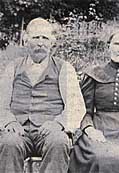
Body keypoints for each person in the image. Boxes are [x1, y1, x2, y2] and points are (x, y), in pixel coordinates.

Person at [0, 17, 85, 173]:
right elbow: (1, 103)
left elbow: (76, 106)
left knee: (59, 141)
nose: (40, 42)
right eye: (35, 37)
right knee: (8, 142)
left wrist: (59, 123)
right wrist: (9, 122)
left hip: (49, 132)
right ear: (26, 41)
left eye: (45, 38)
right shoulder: (13, 67)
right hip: (19, 131)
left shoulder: (64, 68)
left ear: (52, 42)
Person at [69, 29, 119, 173]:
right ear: (109, 47)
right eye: (116, 43)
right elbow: (83, 110)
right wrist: (90, 130)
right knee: (98, 156)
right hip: (100, 127)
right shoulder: (94, 74)